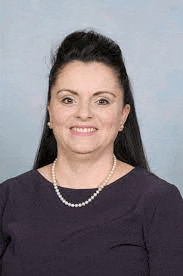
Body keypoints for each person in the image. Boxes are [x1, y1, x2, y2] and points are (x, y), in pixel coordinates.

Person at [0, 30, 183, 276]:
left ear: (123, 116)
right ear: (50, 112)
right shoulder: (8, 198)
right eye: (68, 100)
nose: (84, 113)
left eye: (102, 101)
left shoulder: (160, 202)